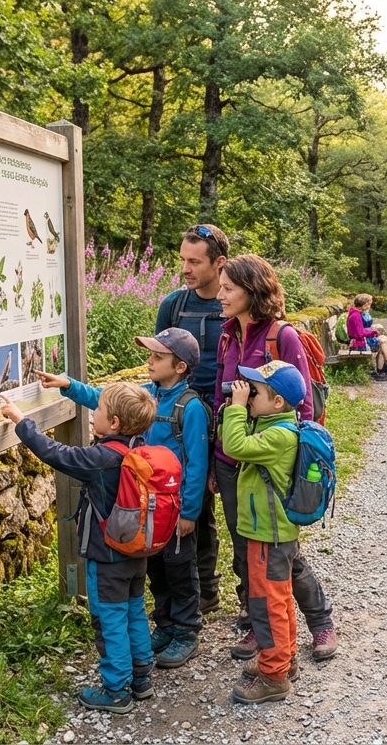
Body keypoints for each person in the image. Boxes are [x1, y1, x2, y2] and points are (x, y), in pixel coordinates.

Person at [32, 328, 209, 670]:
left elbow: (197, 464)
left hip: (173, 509)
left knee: (179, 570)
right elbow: (105, 398)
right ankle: (166, 624)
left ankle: (187, 631)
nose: (150, 361)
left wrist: (189, 512)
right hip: (142, 508)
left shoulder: (191, 408)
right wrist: (68, 385)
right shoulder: (146, 395)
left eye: (158, 356)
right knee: (154, 567)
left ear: (180, 367)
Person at [0, 383, 158, 714]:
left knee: (109, 619)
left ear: (113, 423)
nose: (93, 415)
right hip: (135, 553)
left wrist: (20, 421)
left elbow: (57, 454)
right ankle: (141, 678)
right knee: (134, 611)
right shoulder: (140, 448)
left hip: (107, 558)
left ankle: (116, 690)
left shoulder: (102, 458)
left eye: (97, 411)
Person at [214, 254, 339, 661]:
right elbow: (221, 395)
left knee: (284, 553)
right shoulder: (228, 335)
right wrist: (219, 458)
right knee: (245, 552)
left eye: (228, 288)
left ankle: (320, 622)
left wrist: (286, 464)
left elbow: (300, 409)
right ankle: (258, 625)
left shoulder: (281, 337)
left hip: (272, 465)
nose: (220, 294)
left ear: (252, 291)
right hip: (232, 462)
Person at [219, 360, 307, 704]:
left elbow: (234, 446)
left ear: (278, 402)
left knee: (267, 604)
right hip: (271, 533)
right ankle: (286, 659)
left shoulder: (279, 435)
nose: (249, 394)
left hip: (268, 535)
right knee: (280, 598)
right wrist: (243, 407)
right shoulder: (277, 425)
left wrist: (236, 409)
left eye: (256, 391)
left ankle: (274, 677)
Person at [156, 224, 228, 618]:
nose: (185, 268)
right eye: (182, 259)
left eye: (194, 261)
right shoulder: (174, 305)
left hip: (229, 417)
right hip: (183, 421)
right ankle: (202, 591)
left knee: (234, 510)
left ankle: (252, 598)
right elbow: (158, 362)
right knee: (193, 505)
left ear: (219, 263)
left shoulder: (236, 300)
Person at [348, 294, 387, 380]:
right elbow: (360, 333)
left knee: (384, 341)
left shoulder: (356, 313)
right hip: (360, 343)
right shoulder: (356, 315)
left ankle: (383, 370)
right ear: (364, 305)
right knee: (383, 340)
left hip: (361, 340)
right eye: (369, 304)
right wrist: (373, 331)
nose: (369, 307)